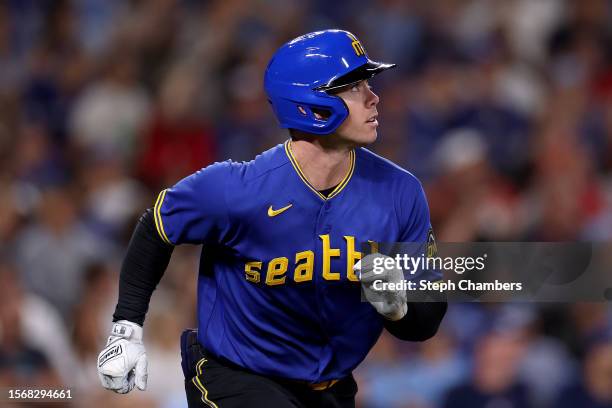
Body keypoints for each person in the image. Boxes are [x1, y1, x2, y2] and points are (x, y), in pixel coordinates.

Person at [97, 29, 447, 408]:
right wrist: (126, 327)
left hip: (332, 388)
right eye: (354, 86)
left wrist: (401, 307)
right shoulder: (238, 187)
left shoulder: (400, 193)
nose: (373, 97)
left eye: (368, 83)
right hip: (236, 375)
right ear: (309, 104)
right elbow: (157, 226)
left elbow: (425, 324)